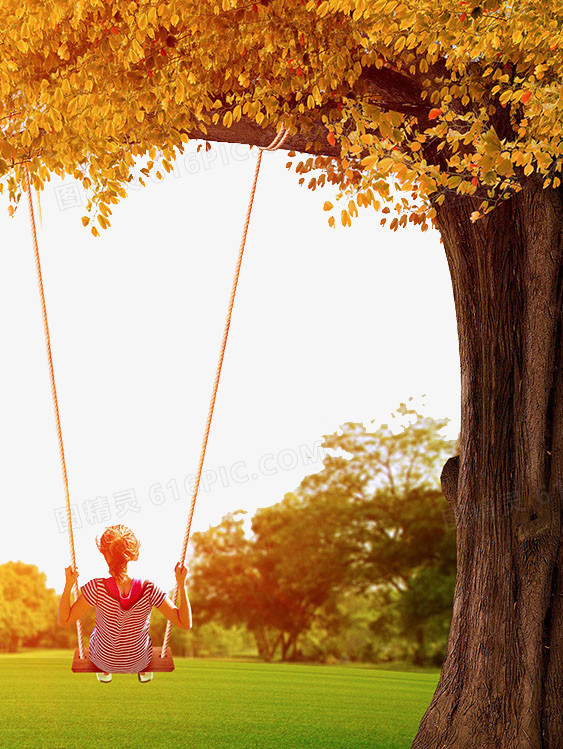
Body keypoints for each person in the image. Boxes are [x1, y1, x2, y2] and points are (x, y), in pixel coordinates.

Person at [58, 524, 192, 683]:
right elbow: (185, 623)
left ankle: (106, 670)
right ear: (133, 554)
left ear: (105, 555)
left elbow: (64, 620)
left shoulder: (97, 588)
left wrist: (68, 584)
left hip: (102, 660)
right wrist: (181, 584)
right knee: (143, 638)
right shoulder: (149, 589)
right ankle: (142, 671)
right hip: (139, 661)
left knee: (97, 633)